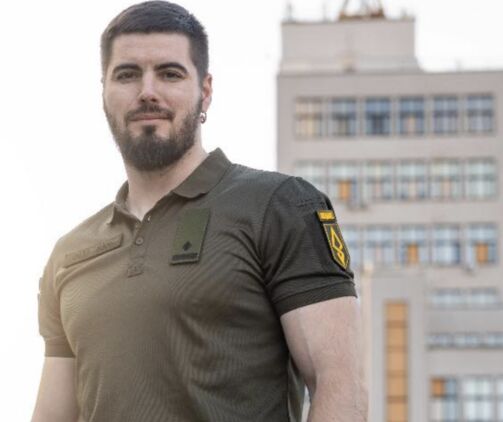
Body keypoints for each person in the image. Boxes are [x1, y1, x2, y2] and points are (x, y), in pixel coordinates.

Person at [32, 2, 367, 421]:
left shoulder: (281, 206)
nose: (147, 91)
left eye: (170, 74)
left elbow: (341, 386)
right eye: (127, 74)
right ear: (104, 92)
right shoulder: (69, 254)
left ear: (205, 91)